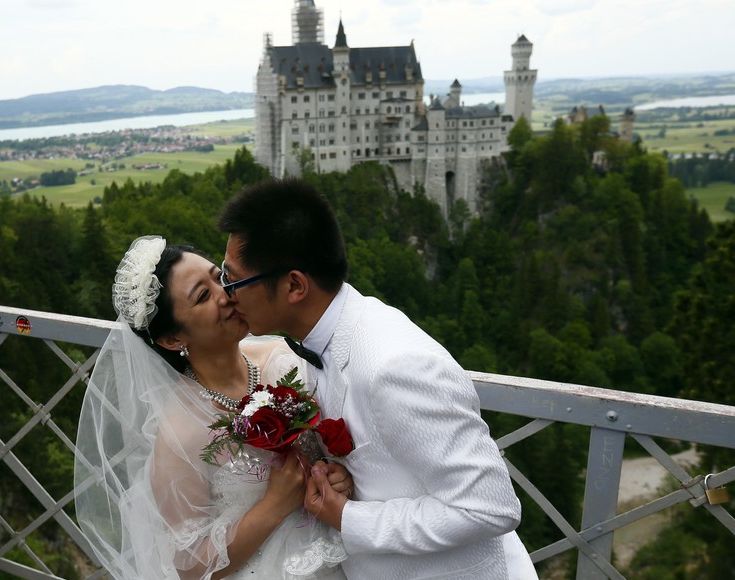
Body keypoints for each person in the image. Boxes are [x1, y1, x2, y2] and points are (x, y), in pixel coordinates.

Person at [217, 179, 539, 579]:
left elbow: (490, 507)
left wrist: (349, 518)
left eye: (233, 281)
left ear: (294, 286)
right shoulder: (323, 341)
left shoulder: (396, 367)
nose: (225, 294)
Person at [74, 236, 350, 580]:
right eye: (203, 296)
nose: (226, 294)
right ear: (173, 339)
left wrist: (335, 474)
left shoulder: (282, 358)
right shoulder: (181, 432)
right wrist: (273, 507)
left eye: (219, 278)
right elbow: (187, 566)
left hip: (342, 548)